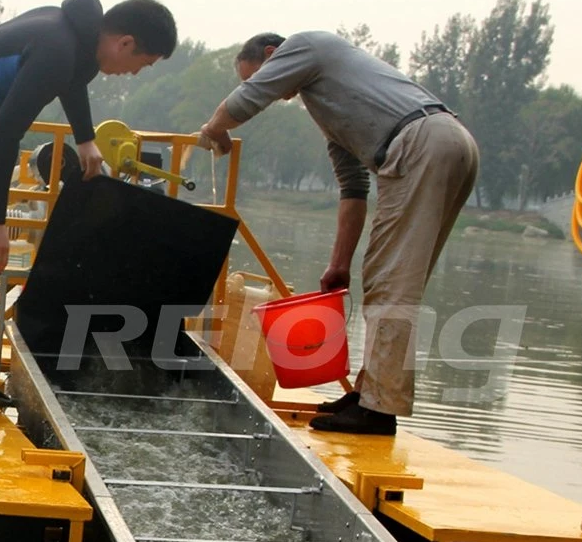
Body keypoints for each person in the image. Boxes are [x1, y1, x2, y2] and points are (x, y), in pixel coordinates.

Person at [0, 0, 177, 420]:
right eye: (141, 64)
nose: (133, 74)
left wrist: (85, 138)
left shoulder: (73, 37)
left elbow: (74, 82)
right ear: (125, 43)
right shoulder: (57, 48)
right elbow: (2, 136)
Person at [200, 31, 478, 436]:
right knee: (395, 280)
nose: (276, 94)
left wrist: (214, 128)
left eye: (257, 75)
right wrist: (338, 264)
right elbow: (352, 189)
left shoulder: (306, 45)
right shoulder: (332, 103)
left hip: (419, 144)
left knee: (391, 285)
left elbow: (247, 101)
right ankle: (369, 394)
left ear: (273, 55)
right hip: (447, 141)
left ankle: (379, 410)